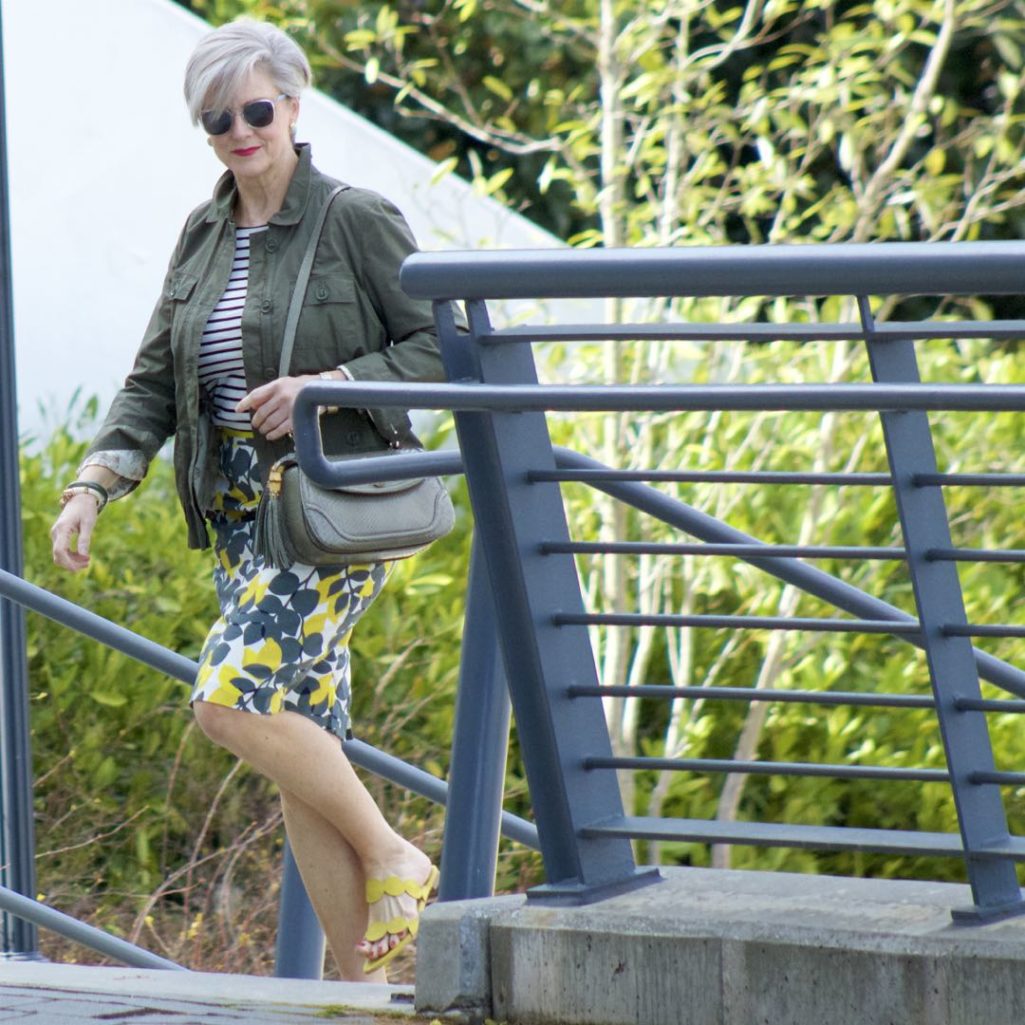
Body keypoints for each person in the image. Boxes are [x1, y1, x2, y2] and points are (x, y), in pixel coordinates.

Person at [49, 18, 442, 981]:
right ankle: (363, 990)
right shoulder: (204, 230)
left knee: (229, 702)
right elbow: (151, 380)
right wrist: (93, 483)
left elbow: (443, 347)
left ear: (295, 106)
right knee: (302, 752)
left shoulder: (354, 215)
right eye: (217, 117)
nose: (239, 130)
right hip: (234, 519)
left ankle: (397, 850)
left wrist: (330, 380)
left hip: (324, 506)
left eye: (256, 109)